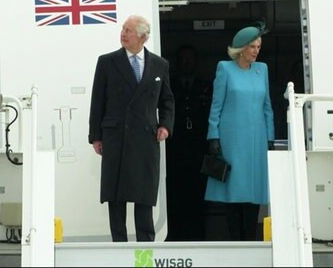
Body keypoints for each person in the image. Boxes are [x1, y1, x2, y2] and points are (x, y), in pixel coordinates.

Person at [88, 14, 175, 242]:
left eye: (129, 30)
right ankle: (119, 249)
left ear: (143, 37)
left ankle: (145, 254)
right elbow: (98, 101)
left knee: (143, 196)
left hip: (146, 139)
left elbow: (167, 100)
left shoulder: (159, 64)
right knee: (116, 198)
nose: (123, 34)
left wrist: (165, 125)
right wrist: (95, 136)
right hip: (116, 137)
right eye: (123, 29)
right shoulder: (107, 62)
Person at [205, 24, 275, 241]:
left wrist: (270, 137)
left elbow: (267, 106)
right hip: (232, 139)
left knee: (254, 193)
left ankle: (251, 240)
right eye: (252, 46)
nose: (256, 51)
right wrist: (213, 135)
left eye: (259, 46)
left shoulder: (261, 69)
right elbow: (216, 106)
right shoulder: (225, 68)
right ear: (241, 49)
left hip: (257, 140)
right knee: (233, 193)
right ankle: (237, 241)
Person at [165, 45, 212, 241]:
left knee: (198, 196)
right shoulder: (170, 86)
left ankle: (198, 238)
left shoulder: (205, 86)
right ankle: (175, 238)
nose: (186, 63)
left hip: (198, 150)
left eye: (190, 59)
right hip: (174, 151)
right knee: (175, 197)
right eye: (183, 59)